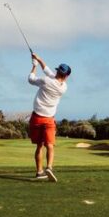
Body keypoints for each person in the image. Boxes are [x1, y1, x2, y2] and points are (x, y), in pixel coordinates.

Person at [28, 53, 71, 182]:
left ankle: (39, 172)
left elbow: (31, 79)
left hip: (36, 118)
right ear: (67, 76)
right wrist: (39, 59)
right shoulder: (64, 87)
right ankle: (50, 168)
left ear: (58, 72)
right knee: (50, 145)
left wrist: (34, 66)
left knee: (39, 146)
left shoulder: (46, 81)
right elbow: (49, 72)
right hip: (49, 119)